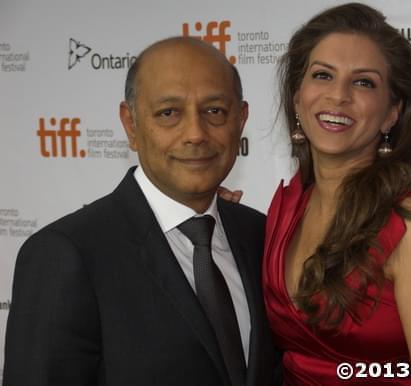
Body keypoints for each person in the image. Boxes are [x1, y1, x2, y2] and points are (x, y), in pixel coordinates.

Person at [4, 37, 278, 386]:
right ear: (131, 125)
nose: (195, 133)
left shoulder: (261, 235)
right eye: (169, 113)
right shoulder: (67, 254)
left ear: (240, 120)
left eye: (214, 111)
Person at [262, 3, 411, 385]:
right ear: (296, 98)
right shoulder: (287, 206)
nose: (338, 96)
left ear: (392, 113)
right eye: (322, 75)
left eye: (363, 82)